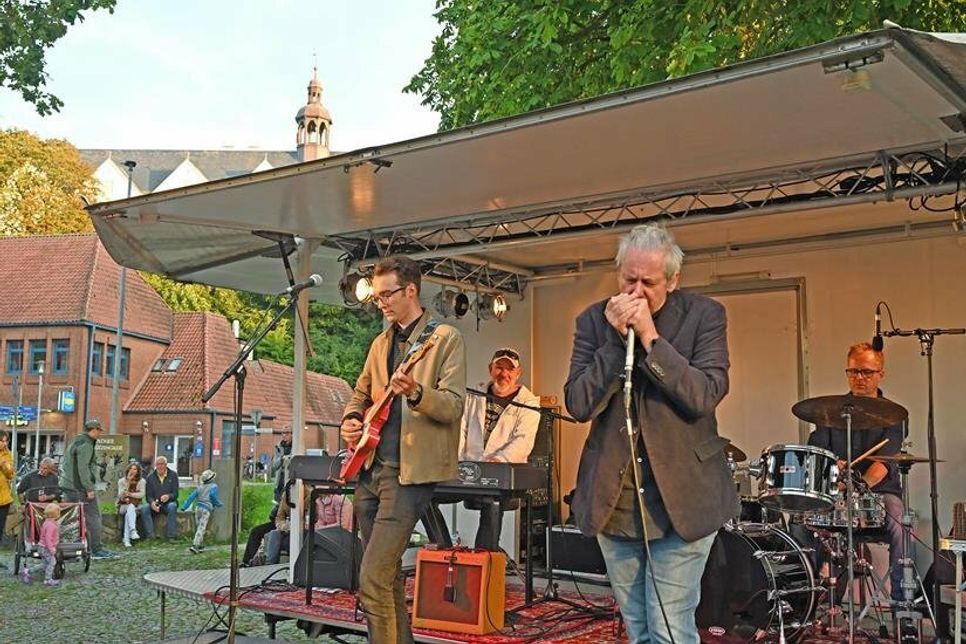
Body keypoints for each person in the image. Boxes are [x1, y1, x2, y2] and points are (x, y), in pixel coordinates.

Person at [563, 223, 736, 644]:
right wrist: (613, 341)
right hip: (615, 501)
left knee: (669, 627)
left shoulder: (704, 315)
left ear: (672, 281)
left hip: (682, 500)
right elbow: (578, 403)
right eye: (628, 279)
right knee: (639, 627)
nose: (636, 292)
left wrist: (650, 338)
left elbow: (704, 394)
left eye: (649, 282)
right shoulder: (593, 320)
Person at [340, 255, 466, 644]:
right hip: (370, 466)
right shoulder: (380, 342)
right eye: (376, 297)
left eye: (386, 295)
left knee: (372, 579)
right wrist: (350, 418)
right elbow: (360, 393)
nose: (380, 303)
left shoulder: (444, 338)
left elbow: (453, 406)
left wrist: (416, 392)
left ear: (411, 290)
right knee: (387, 574)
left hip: (409, 472)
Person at [806, 341, 907, 603]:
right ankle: (810, 597)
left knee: (898, 519)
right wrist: (831, 466)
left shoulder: (895, 416)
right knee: (801, 519)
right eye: (853, 372)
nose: (859, 378)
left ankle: (901, 601)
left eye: (867, 372)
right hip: (835, 493)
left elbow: (883, 464)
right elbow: (817, 454)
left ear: (880, 374)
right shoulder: (829, 412)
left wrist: (855, 486)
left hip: (878, 493)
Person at [457, 347, 541, 550]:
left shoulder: (528, 403)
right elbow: (460, 428)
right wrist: (458, 460)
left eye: (509, 369)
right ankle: (443, 551)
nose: (504, 373)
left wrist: (499, 461)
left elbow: (523, 441)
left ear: (518, 373)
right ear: (490, 369)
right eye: (499, 367)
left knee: (491, 500)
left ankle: (484, 560)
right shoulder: (473, 394)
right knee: (426, 495)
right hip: (467, 469)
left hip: (500, 472)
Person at [59, 419, 115, 559]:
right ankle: (96, 548)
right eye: (99, 430)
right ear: (93, 429)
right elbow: (82, 468)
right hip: (79, 487)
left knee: (70, 518)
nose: (100, 434)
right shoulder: (86, 444)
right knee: (94, 516)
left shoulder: (75, 441)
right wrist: (88, 488)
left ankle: (69, 549)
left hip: (67, 485)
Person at [181, 469, 223, 554]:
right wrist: (218, 503)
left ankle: (200, 545)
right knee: (202, 528)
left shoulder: (199, 487)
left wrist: (184, 507)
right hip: (206, 509)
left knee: (199, 527)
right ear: (211, 479)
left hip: (198, 508)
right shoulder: (214, 486)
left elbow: (191, 497)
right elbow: (212, 496)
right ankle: (195, 545)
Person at [140, 455, 180, 540]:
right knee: (144, 508)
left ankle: (171, 536)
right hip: (156, 504)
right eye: (158, 464)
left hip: (168, 504)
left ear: (166, 465)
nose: (160, 466)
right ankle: (150, 536)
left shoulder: (173, 475)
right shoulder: (150, 477)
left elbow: (176, 493)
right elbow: (148, 496)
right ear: (155, 465)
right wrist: (152, 503)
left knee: (172, 506)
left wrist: (168, 496)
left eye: (162, 464)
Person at [24, 502, 61, 586]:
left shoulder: (46, 523)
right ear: (56, 514)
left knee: (44, 564)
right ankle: (48, 579)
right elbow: (48, 539)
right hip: (46, 548)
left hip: (42, 547)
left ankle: (28, 571)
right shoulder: (51, 525)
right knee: (52, 563)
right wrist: (51, 549)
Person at [117, 463, 145, 547]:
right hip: (123, 506)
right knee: (130, 507)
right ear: (128, 470)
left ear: (138, 471)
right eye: (131, 469)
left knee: (128, 514)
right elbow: (121, 496)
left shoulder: (142, 481)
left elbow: (142, 494)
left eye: (135, 469)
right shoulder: (121, 481)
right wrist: (128, 483)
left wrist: (130, 494)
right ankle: (133, 530)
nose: (132, 471)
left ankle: (126, 540)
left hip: (137, 506)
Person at [0, 431, 15, 554]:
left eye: (6, 441)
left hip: (3, 498)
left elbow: (10, 476)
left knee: (0, 528)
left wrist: (7, 468)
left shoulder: (8, 453)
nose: (4, 444)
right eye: (1, 441)